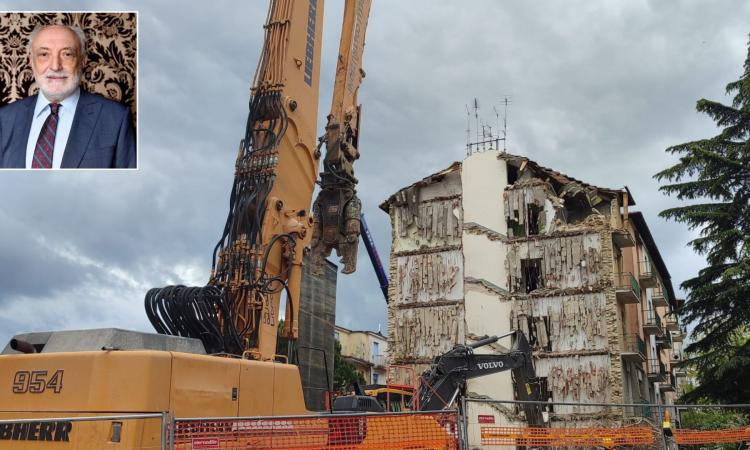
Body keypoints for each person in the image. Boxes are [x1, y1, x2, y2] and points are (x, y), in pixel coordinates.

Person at [0, 24, 136, 169]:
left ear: (83, 60)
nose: (55, 66)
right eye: (44, 54)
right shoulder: (5, 119)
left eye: (67, 54)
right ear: (31, 62)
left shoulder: (116, 118)